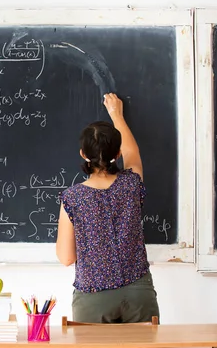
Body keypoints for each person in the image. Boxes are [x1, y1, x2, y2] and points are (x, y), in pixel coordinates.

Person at [55, 93, 159, 324]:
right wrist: (116, 115)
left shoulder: (72, 198)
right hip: (137, 290)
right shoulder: (131, 184)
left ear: (83, 154)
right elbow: (134, 154)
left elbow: (66, 258)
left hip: (93, 294)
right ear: (117, 154)